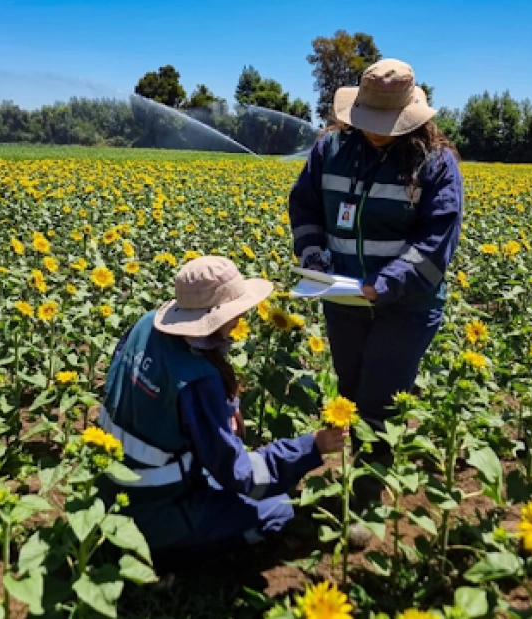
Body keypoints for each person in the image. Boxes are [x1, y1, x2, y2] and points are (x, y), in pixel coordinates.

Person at [94, 256, 347, 570]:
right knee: (278, 510)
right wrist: (312, 446)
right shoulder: (198, 379)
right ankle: (165, 558)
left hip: (104, 491)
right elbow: (240, 475)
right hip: (153, 511)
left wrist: (220, 410)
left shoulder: (146, 325)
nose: (244, 314)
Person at [288, 57, 464, 444]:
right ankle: (356, 479)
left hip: (407, 306)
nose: (377, 133)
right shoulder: (331, 149)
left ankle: (369, 489)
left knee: (379, 404)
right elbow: (305, 206)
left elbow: (437, 242)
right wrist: (313, 255)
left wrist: (384, 284)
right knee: (349, 393)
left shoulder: (435, 162)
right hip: (343, 300)